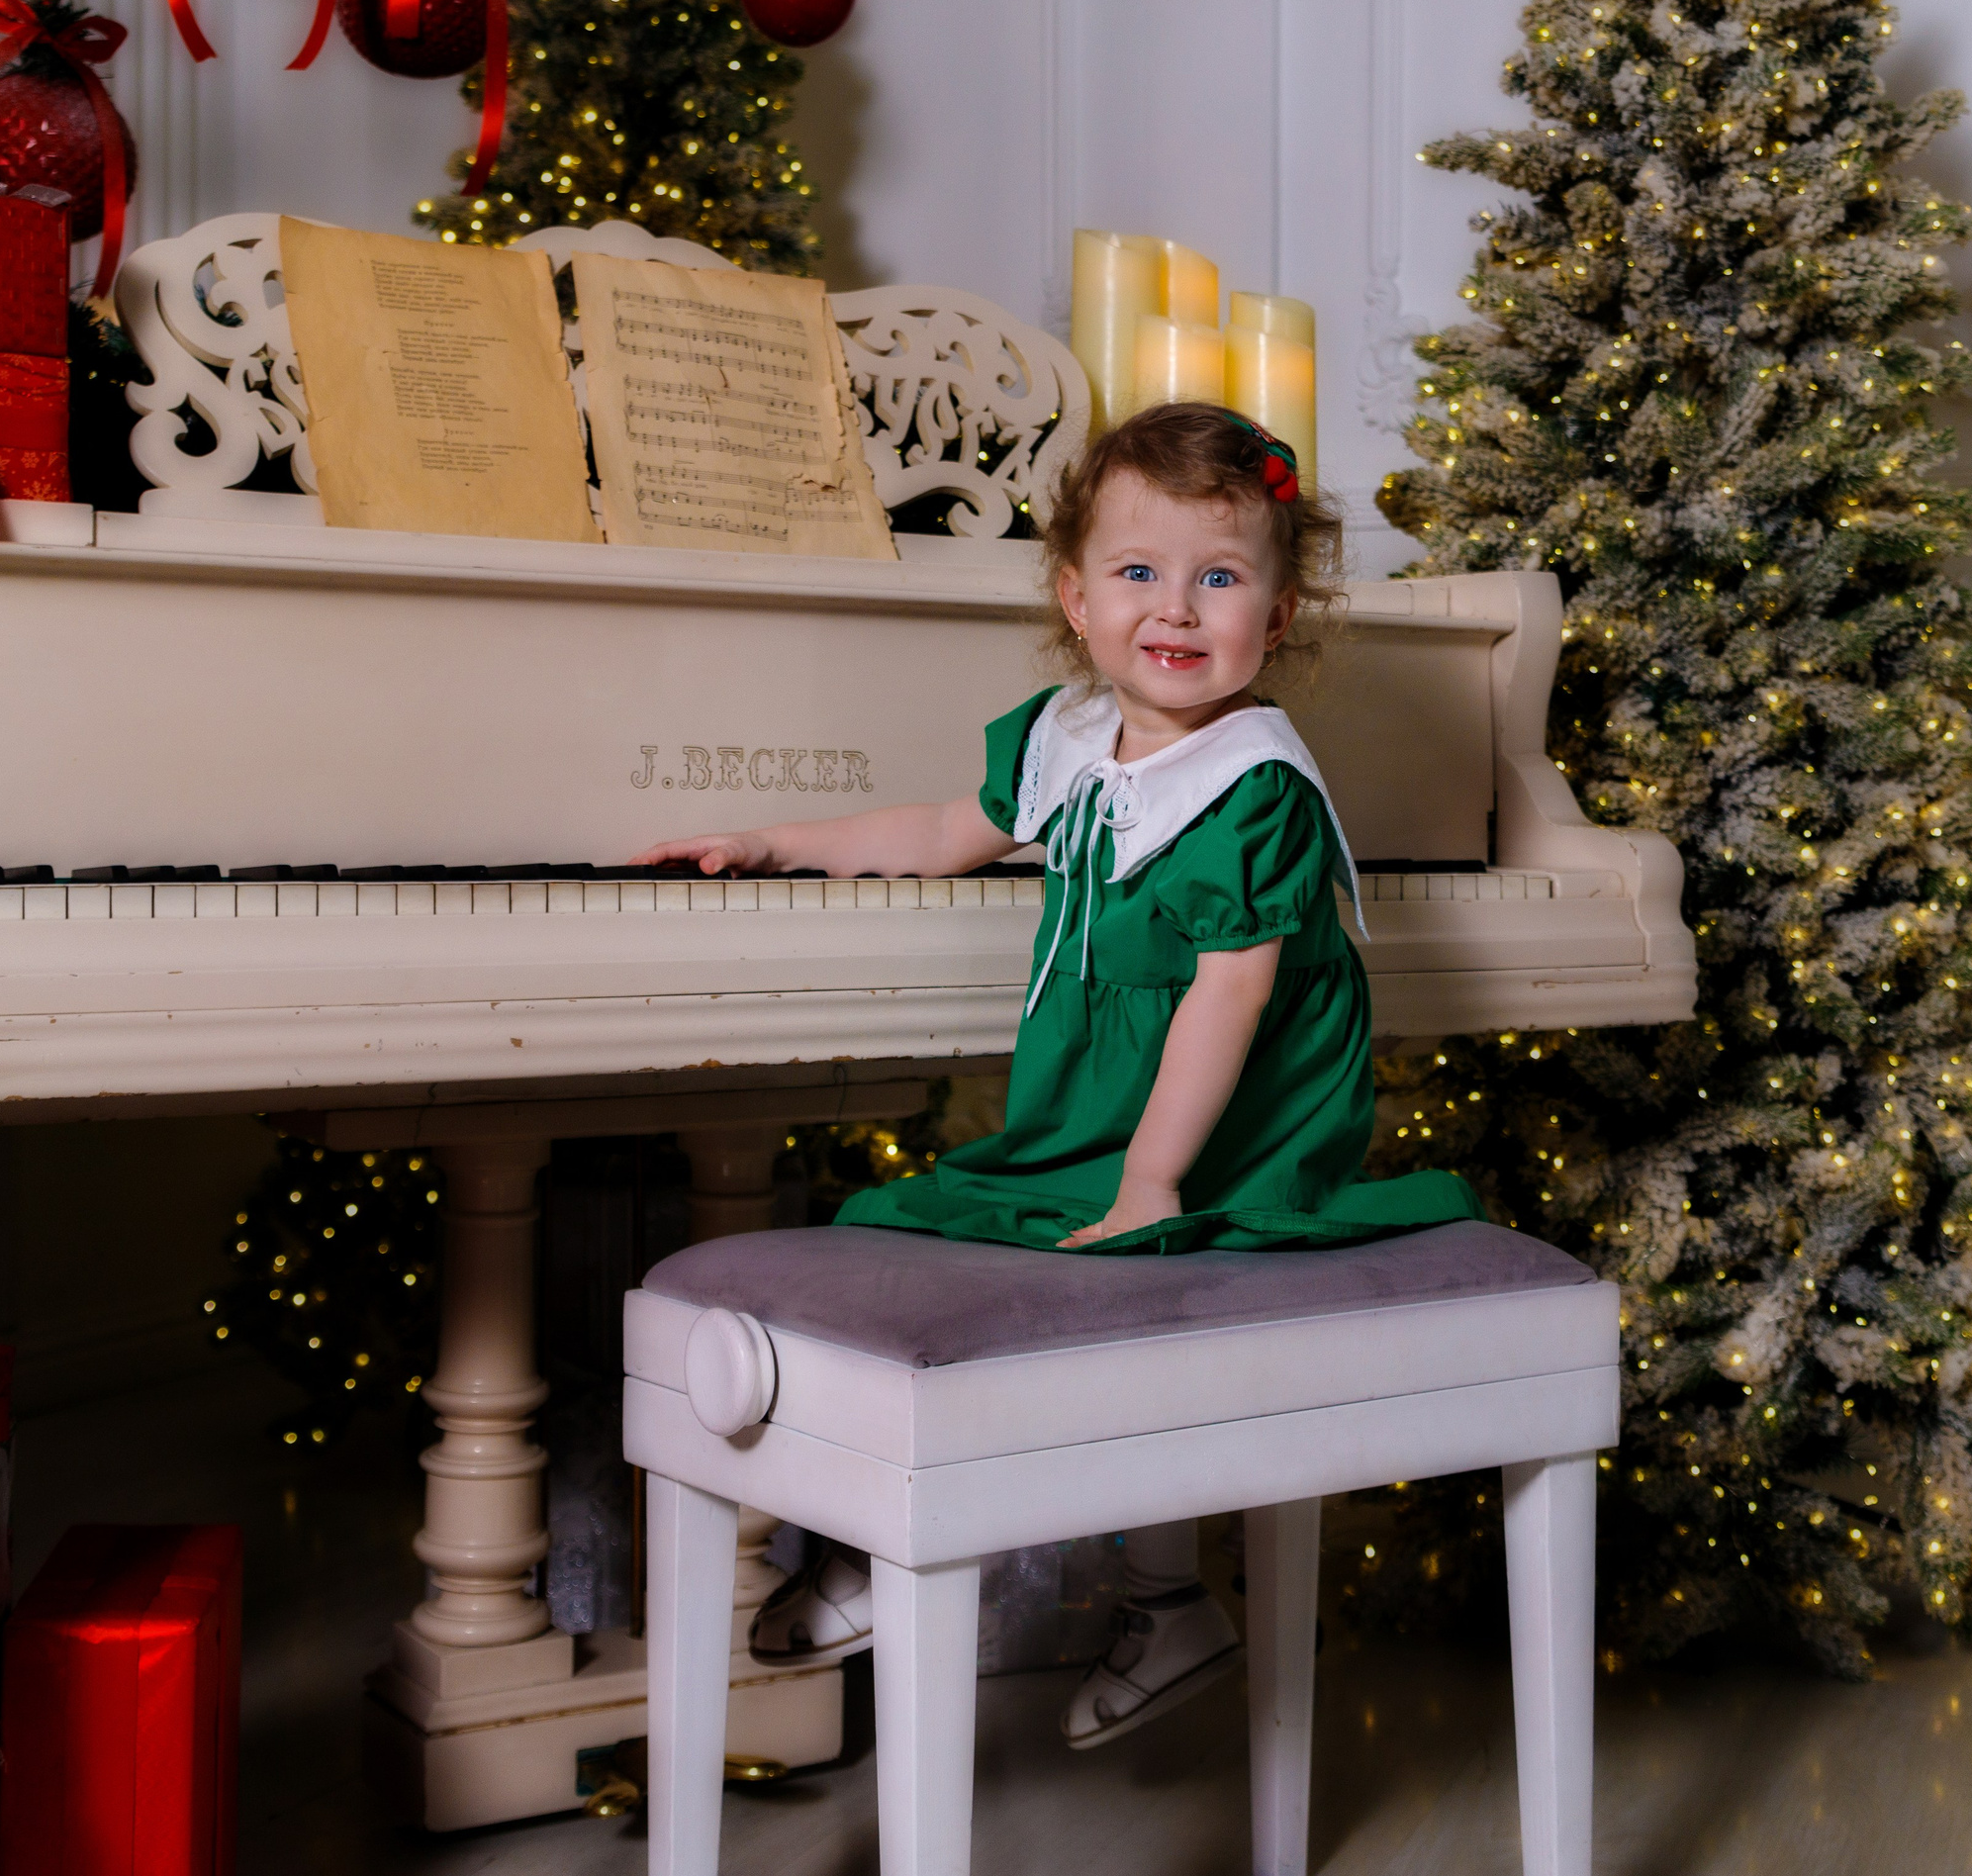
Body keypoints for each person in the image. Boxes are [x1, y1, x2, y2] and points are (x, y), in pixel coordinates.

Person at [634, 401, 1483, 1749]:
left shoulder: (1253, 781)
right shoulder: (1072, 730)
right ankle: (885, 1540)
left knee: (1122, 1266)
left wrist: (1153, 1175)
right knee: (900, 1222)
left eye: (1221, 576)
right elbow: (940, 828)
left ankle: (1163, 1593)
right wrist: (779, 838)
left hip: (1233, 1117)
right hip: (1093, 1102)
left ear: (1283, 608)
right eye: (1140, 573)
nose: (1178, 607)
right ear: (1075, 597)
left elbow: (1236, 990)